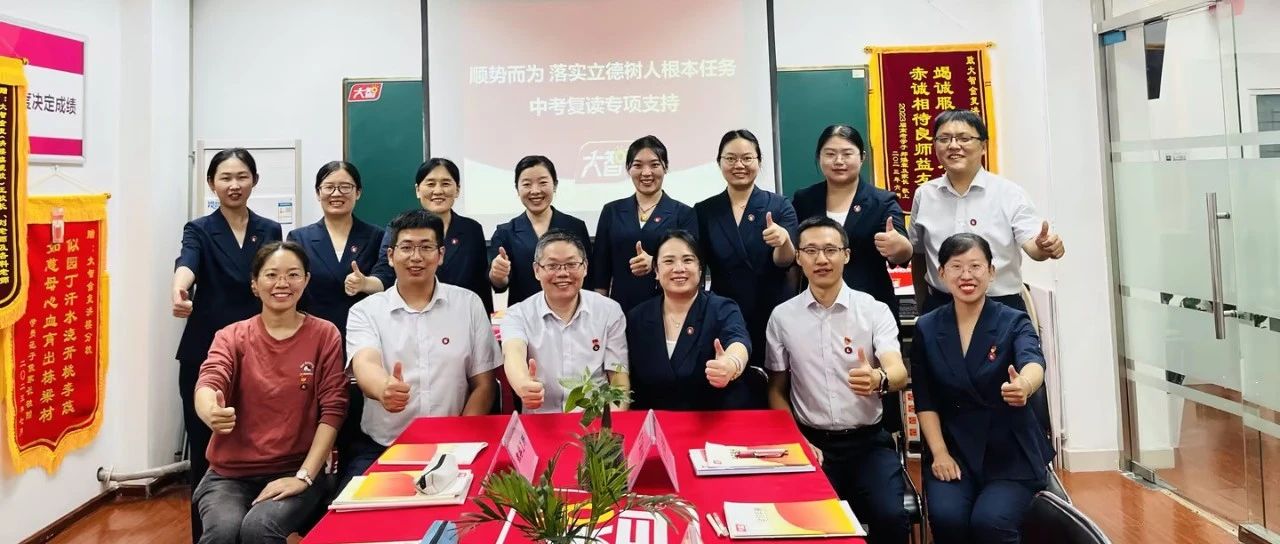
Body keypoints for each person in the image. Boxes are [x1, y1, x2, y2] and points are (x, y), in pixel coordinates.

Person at [765, 216, 910, 544]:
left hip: (868, 443)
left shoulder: (873, 310)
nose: (821, 259)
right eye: (811, 250)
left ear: (846, 255)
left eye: (830, 250)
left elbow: (898, 372)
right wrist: (797, 440)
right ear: (798, 257)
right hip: (812, 443)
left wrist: (879, 378)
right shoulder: (783, 317)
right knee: (809, 525)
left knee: (890, 516)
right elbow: (776, 389)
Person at [192, 241, 347, 544]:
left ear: (306, 280)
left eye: (293, 274)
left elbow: (334, 409)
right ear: (254, 283)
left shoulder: (324, 334)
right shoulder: (231, 336)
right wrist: (210, 410)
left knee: (259, 528)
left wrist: (304, 476)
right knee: (223, 532)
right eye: (271, 275)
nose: (282, 283)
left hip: (297, 467)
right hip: (229, 474)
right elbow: (210, 380)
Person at [911, 233, 1054, 544]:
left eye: (975, 266)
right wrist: (939, 453)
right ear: (941, 273)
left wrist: (1024, 384)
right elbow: (925, 398)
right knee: (948, 519)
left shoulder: (1013, 321)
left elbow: (1033, 361)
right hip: (954, 448)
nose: (966, 275)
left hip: (1010, 451)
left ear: (991, 272)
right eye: (956, 266)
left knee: (990, 523)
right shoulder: (927, 327)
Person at [342, 209, 501, 486]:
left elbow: (484, 385)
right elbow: (365, 363)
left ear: (441, 255)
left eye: (426, 247)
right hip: (385, 446)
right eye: (406, 248)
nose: (416, 257)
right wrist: (383, 388)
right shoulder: (365, 311)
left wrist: (458, 443)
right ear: (390, 255)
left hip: (455, 445)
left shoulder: (468, 304)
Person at [172, 148, 284, 541]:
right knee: (206, 450)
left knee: (260, 446)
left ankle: (256, 531)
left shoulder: (270, 229)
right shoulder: (200, 228)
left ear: (254, 180)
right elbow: (187, 262)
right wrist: (180, 289)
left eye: (241, 177)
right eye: (225, 177)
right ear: (211, 183)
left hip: (260, 351)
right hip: (205, 351)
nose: (234, 185)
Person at [285, 160, 384, 491]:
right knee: (319, 424)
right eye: (329, 187)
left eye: (345, 187)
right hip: (315, 344)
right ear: (318, 193)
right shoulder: (299, 237)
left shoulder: (376, 235)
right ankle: (315, 498)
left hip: (366, 346)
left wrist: (365, 283)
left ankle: (352, 494)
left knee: (358, 428)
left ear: (358, 192)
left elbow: (386, 278)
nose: (337, 193)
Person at [910, 110, 1065, 315]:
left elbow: (1033, 246)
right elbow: (919, 254)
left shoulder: (1009, 193)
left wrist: (1045, 247)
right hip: (941, 307)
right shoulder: (924, 195)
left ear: (983, 146)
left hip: (1001, 308)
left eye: (964, 138)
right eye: (944, 139)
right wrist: (923, 305)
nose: (953, 145)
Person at [694, 129, 798, 402]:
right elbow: (694, 260)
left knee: (775, 386)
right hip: (724, 311)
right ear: (719, 162)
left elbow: (786, 260)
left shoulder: (779, 205)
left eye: (747, 158)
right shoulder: (705, 210)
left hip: (771, 309)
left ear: (759, 161)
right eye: (730, 158)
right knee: (731, 390)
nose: (738, 165)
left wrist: (783, 241)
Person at [791, 125, 911, 320]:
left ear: (862, 157)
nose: (839, 161)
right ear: (819, 157)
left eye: (847, 154)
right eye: (830, 154)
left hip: (869, 307)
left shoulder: (882, 201)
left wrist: (898, 246)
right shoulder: (804, 199)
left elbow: (902, 252)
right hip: (815, 307)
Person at [501, 229, 629, 413]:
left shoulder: (609, 311)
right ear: (537, 270)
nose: (562, 273)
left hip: (594, 421)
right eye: (552, 266)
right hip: (541, 421)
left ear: (585, 267)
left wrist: (610, 425)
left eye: (571, 264)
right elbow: (513, 353)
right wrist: (523, 384)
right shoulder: (518, 314)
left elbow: (619, 379)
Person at [625, 230, 751, 410]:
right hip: (655, 419)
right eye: (669, 261)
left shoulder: (722, 308)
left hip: (711, 416)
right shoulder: (637, 317)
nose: (679, 268)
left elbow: (738, 340)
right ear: (656, 271)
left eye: (687, 260)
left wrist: (731, 364)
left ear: (700, 269)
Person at [356, 158, 495, 314]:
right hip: (413, 314)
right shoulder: (400, 227)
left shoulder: (472, 229)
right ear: (418, 190)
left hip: (461, 314)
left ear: (457, 189)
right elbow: (385, 272)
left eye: (446, 183)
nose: (438, 191)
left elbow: (481, 283)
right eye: (430, 184)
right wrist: (365, 283)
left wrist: (485, 318)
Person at [590, 136, 697, 312]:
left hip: (667, 308)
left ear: (665, 167)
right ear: (628, 169)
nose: (646, 173)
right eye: (638, 165)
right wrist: (599, 311)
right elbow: (601, 269)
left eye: (654, 165)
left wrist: (655, 263)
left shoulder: (683, 213)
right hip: (620, 308)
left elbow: (692, 264)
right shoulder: (612, 211)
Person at [490, 156, 592, 306]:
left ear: (555, 185)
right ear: (517, 188)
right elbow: (500, 284)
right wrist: (498, 274)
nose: (535, 191)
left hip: (571, 311)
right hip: (525, 313)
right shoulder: (505, 232)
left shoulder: (575, 227)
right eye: (527, 184)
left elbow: (588, 277)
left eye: (543, 182)